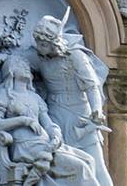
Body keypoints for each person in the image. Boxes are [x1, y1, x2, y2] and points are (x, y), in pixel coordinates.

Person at [0, 55, 101, 185]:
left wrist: (55, 133)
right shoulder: (5, 94)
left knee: (89, 160)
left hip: (45, 144)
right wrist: (24, 120)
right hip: (25, 147)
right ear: (11, 70)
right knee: (80, 166)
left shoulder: (35, 97)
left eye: (26, 66)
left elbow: (47, 124)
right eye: (21, 65)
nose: (26, 68)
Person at [27, 16, 112, 186]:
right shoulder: (37, 57)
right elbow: (17, 64)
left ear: (54, 42)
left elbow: (91, 85)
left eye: (43, 44)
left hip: (80, 116)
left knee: (97, 165)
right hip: (55, 115)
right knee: (64, 167)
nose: (39, 47)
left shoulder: (75, 55)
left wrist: (97, 109)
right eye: (37, 42)